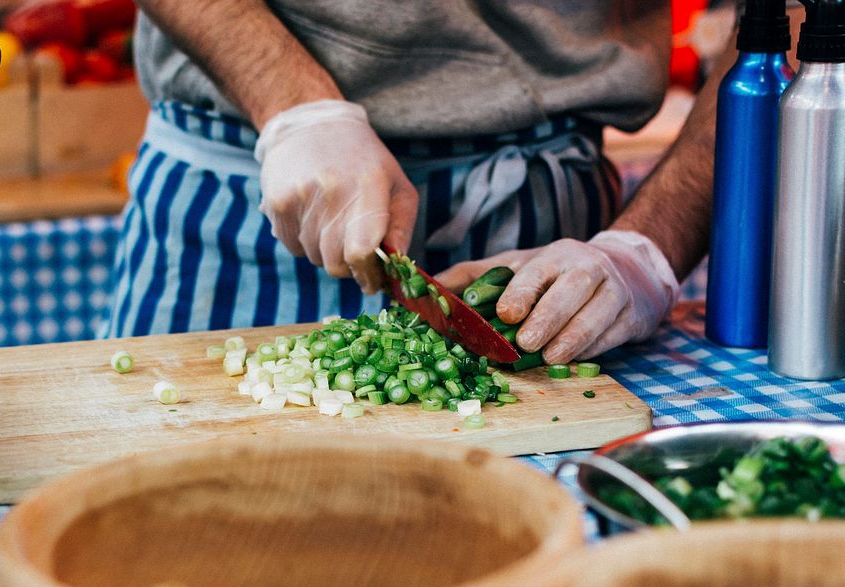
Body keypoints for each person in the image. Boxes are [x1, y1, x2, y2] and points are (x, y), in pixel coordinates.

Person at [104, 1, 732, 364]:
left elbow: (785, 17)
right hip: (242, 199)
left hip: (546, 244)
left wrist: (645, 248)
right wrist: (291, 104)